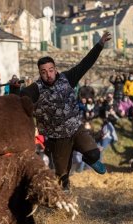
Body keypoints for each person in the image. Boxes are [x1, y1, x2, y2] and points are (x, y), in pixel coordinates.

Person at [20, 31, 111, 191]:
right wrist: (14, 88)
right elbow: (19, 99)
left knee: (94, 155)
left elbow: (85, 64)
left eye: (50, 70)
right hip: (57, 138)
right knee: (62, 179)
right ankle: (63, 206)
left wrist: (99, 45)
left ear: (55, 69)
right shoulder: (35, 88)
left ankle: (89, 159)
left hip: (76, 129)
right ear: (40, 73)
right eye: (44, 72)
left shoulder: (67, 78)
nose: (48, 74)